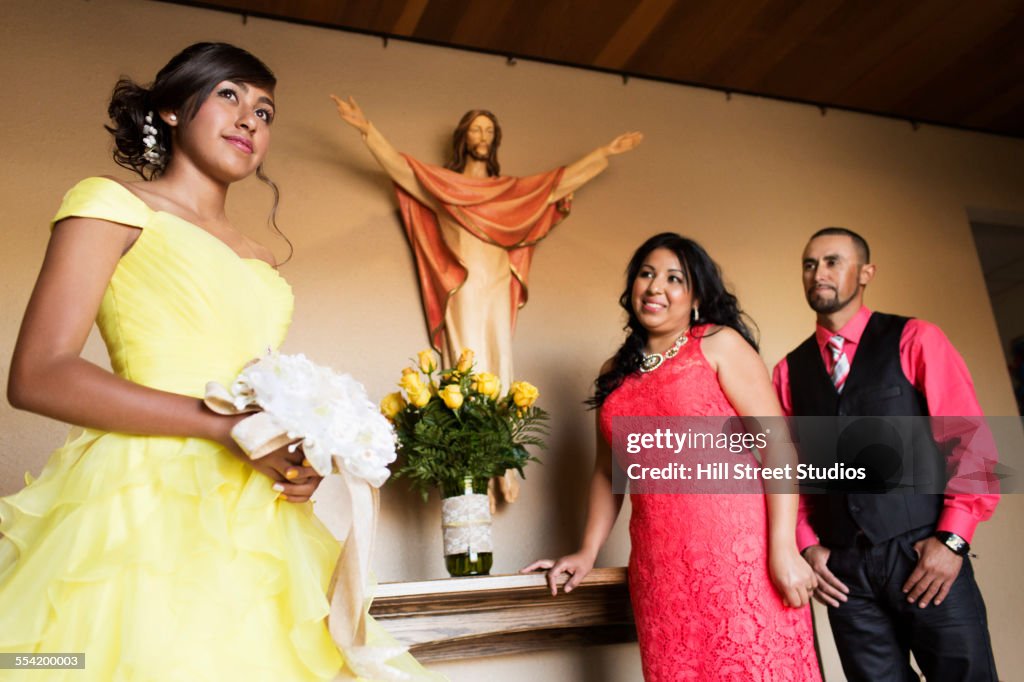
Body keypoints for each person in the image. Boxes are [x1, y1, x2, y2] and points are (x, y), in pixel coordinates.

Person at [0, 43, 441, 681]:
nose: (250, 120)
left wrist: (298, 457)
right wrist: (223, 426)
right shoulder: (113, 204)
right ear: (174, 109)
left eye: (265, 113)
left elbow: (256, 388)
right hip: (142, 496)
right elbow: (38, 373)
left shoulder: (260, 258)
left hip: (259, 514)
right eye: (229, 96)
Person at [523, 233, 821, 680]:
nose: (656, 287)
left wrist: (783, 549)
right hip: (660, 566)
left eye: (674, 278)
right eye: (646, 274)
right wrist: (587, 551)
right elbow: (608, 473)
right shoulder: (613, 373)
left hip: (739, 556)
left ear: (696, 295)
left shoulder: (718, 345)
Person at [771, 227, 1000, 681]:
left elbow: (970, 445)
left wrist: (953, 541)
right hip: (845, 576)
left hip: (924, 554)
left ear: (866, 272)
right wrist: (808, 546)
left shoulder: (916, 338)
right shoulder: (787, 372)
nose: (819, 273)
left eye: (833, 261)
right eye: (810, 264)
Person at [330, 97, 642, 390]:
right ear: (463, 137)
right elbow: (402, 169)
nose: (484, 135)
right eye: (477, 129)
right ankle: (467, 430)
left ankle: (499, 432)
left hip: (498, 281)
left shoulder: (508, 192)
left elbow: (556, 184)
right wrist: (367, 129)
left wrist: (605, 153)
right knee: (467, 356)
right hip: (464, 279)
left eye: (489, 130)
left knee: (499, 352)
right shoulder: (445, 188)